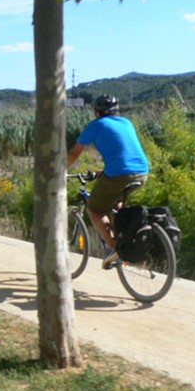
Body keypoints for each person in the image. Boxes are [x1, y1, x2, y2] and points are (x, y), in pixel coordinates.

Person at [67, 94, 150, 268]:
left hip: (120, 174)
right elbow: (124, 154)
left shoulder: (96, 125)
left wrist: (60, 171)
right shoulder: (127, 123)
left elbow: (74, 153)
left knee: (94, 210)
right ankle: (123, 238)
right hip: (142, 172)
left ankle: (116, 249)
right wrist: (103, 172)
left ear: (97, 112)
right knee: (115, 205)